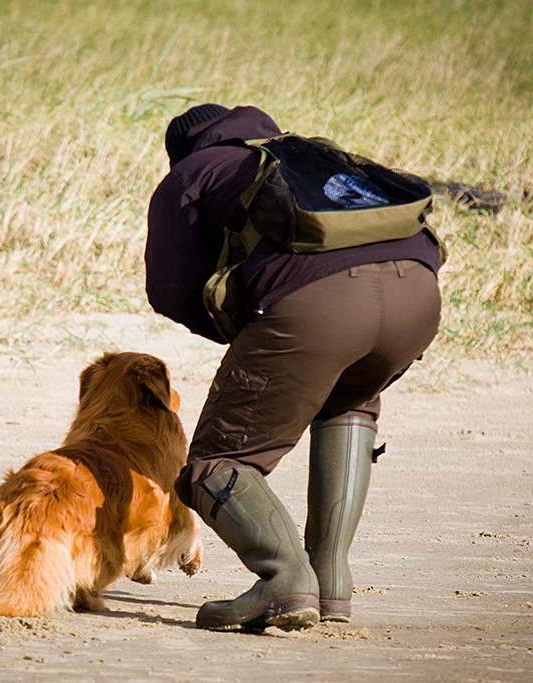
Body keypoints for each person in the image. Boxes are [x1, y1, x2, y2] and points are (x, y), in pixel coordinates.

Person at [145, 104, 443, 632]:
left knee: (219, 460)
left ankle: (285, 577)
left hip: (319, 307)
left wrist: (252, 333)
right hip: (419, 296)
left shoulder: (191, 172)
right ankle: (331, 582)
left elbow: (171, 290)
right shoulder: (308, 155)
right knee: (348, 403)